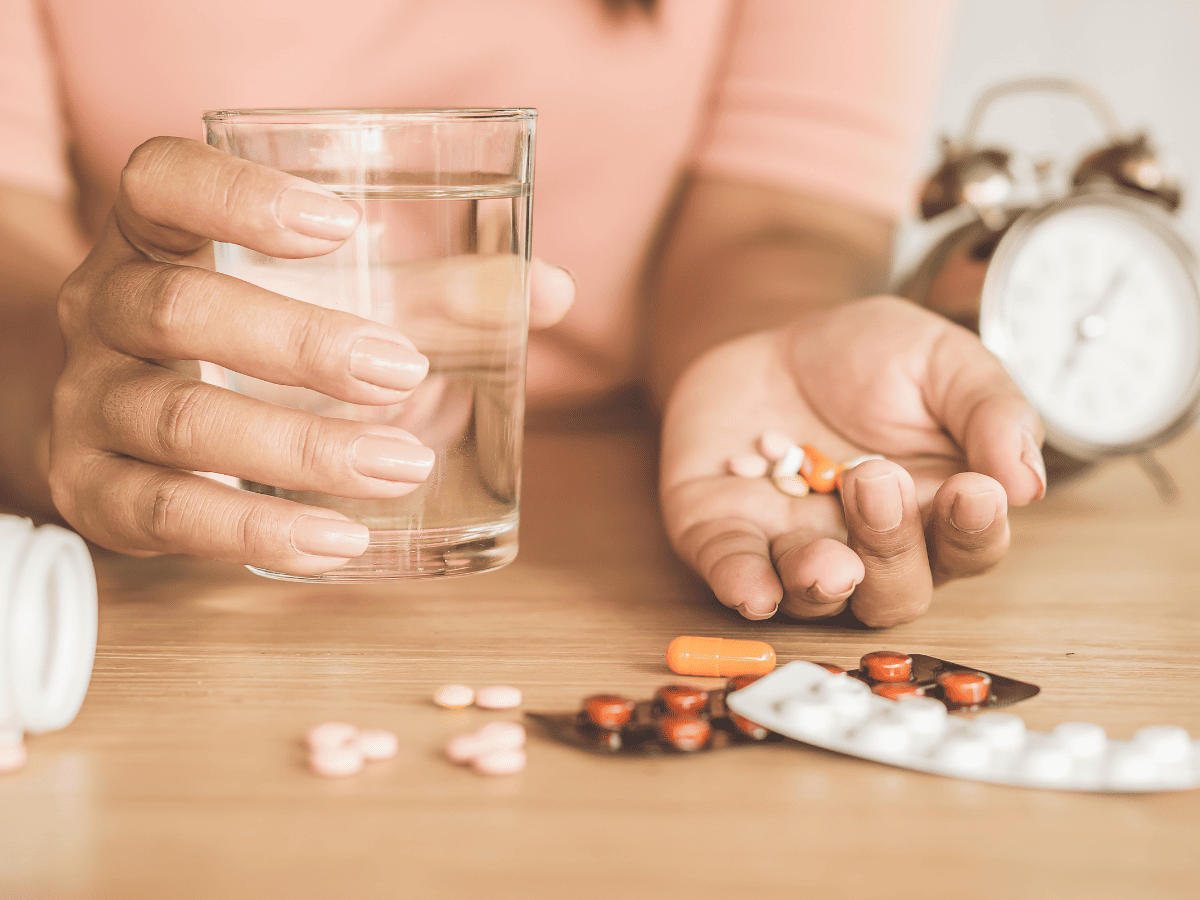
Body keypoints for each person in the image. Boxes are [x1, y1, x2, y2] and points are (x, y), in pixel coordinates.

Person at [0, 0, 1045, 626]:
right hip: (166, 567)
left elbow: (777, 214)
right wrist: (88, 387)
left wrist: (769, 358)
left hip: (599, 526)